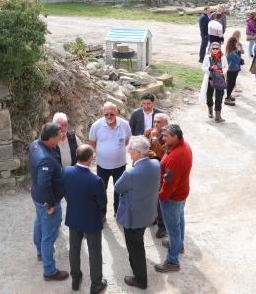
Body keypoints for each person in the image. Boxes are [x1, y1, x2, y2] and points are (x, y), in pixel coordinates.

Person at [114, 136, 161, 290]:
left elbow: (118, 187)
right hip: (147, 213)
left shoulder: (131, 173)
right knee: (138, 243)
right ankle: (138, 272)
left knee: (135, 248)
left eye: (130, 149)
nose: (128, 151)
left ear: (137, 153)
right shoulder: (155, 163)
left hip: (133, 217)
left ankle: (140, 279)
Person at [62, 144, 108, 293]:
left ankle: (75, 278)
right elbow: (102, 203)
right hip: (91, 221)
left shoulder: (66, 171)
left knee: (74, 248)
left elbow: (65, 192)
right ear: (90, 158)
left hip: (74, 217)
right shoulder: (95, 180)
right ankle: (96, 284)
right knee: (94, 251)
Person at [29, 122, 68, 281]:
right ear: (51, 138)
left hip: (37, 197)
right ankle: (49, 271)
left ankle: (40, 252)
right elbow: (45, 184)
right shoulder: (46, 159)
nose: (63, 135)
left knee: (39, 223)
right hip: (47, 202)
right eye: (60, 134)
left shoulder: (34, 144)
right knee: (49, 236)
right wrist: (51, 204)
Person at [154, 124, 193, 274]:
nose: (163, 138)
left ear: (175, 137)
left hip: (172, 198)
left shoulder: (176, 157)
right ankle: (179, 245)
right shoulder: (183, 146)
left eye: (166, 136)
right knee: (179, 221)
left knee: (173, 229)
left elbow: (169, 183)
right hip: (181, 194)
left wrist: (161, 196)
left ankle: (172, 261)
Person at [89, 102, 132, 216]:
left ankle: (117, 212)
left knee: (119, 189)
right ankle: (102, 213)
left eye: (111, 114)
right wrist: (103, 152)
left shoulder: (124, 124)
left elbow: (127, 140)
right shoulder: (96, 126)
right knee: (101, 190)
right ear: (103, 113)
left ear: (117, 112)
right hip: (102, 166)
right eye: (106, 114)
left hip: (120, 165)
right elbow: (92, 143)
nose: (109, 116)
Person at [144, 112, 170, 239]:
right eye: (154, 121)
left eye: (158, 122)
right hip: (149, 169)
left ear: (166, 124)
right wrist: (152, 153)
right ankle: (152, 218)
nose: (155, 124)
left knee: (160, 199)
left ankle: (162, 226)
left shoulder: (168, 136)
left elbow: (165, 154)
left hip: (161, 171)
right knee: (150, 196)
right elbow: (144, 148)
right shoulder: (148, 131)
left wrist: (154, 142)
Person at [199, 41, 228, 123]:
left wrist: (220, 70)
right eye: (213, 48)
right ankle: (210, 111)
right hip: (210, 80)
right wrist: (210, 68)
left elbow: (226, 67)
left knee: (219, 98)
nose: (215, 50)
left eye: (217, 48)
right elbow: (203, 67)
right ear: (211, 49)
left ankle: (218, 116)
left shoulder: (223, 57)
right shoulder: (207, 57)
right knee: (209, 96)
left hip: (220, 79)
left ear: (219, 49)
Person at [224, 35, 243, 106]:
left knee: (231, 83)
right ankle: (227, 98)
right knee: (230, 84)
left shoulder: (231, 50)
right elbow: (239, 60)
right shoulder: (232, 53)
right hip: (232, 70)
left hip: (233, 69)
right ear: (233, 43)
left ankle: (229, 95)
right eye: (236, 43)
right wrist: (239, 51)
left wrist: (238, 50)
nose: (237, 44)